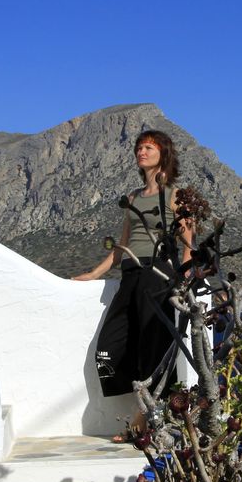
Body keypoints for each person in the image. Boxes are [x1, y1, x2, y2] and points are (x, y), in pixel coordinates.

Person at [73, 129, 193, 438]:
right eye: (139, 148)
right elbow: (122, 246)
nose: (141, 152)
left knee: (152, 347)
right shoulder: (133, 198)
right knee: (113, 342)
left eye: (148, 147)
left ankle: (142, 425)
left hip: (159, 274)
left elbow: (188, 244)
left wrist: (186, 277)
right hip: (130, 274)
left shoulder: (175, 195)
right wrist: (94, 273)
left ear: (162, 153)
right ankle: (143, 420)